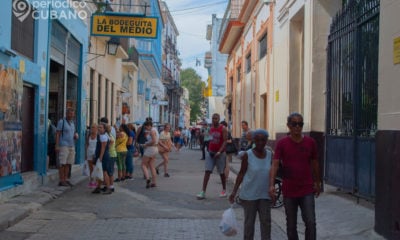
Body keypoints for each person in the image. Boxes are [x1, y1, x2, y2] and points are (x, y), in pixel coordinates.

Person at [269, 112, 321, 240]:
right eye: (294, 124)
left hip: (307, 189)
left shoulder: (310, 142)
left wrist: (318, 182)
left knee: (310, 222)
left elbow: (315, 163)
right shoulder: (282, 143)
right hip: (289, 190)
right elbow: (275, 165)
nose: (297, 127)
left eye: (300, 124)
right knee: (291, 225)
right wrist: (271, 185)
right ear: (288, 126)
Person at [229, 129, 273, 240]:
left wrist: (273, 191)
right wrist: (234, 192)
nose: (260, 142)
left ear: (266, 141)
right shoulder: (247, 155)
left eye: (263, 140)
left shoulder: (270, 155)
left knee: (266, 224)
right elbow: (241, 173)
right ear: (253, 140)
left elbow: (273, 174)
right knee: (249, 225)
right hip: (249, 196)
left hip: (265, 196)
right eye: (257, 140)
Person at [196, 113, 228, 200]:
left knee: (221, 172)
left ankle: (224, 190)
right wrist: (203, 139)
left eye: (216, 118)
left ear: (219, 119)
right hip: (211, 152)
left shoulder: (223, 129)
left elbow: (225, 141)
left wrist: (219, 151)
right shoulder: (210, 128)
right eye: (213, 118)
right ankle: (203, 192)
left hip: (220, 154)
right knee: (207, 171)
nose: (214, 120)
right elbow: (208, 139)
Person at [55, 108, 78, 187]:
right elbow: (57, 134)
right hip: (63, 145)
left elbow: (73, 133)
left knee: (68, 163)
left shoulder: (72, 123)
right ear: (67, 114)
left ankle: (66, 179)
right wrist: (57, 145)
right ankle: (61, 180)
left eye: (72, 114)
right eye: (70, 113)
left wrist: (75, 136)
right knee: (62, 163)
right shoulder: (62, 122)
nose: (71, 115)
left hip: (71, 145)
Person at [92, 122, 113, 194]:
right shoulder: (102, 135)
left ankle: (108, 188)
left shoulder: (103, 136)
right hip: (102, 155)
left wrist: (100, 157)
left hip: (103, 156)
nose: (99, 129)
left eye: (101, 127)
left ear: (104, 129)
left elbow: (103, 148)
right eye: (98, 127)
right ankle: (98, 187)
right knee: (100, 171)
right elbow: (111, 142)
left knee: (104, 172)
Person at [140, 120, 159, 188]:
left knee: (143, 164)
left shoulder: (152, 131)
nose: (146, 129)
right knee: (152, 166)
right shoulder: (155, 130)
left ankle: (148, 178)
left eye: (146, 127)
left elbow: (153, 141)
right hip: (155, 149)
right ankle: (154, 183)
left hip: (151, 149)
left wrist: (146, 144)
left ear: (149, 126)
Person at [85, 123, 98, 188]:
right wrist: (85, 154)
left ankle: (96, 181)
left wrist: (96, 154)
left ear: (96, 128)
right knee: (91, 168)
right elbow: (87, 145)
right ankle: (91, 181)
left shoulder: (98, 136)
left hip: (95, 153)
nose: (92, 129)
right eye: (91, 127)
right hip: (89, 152)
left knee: (95, 168)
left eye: (93, 127)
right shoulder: (89, 136)